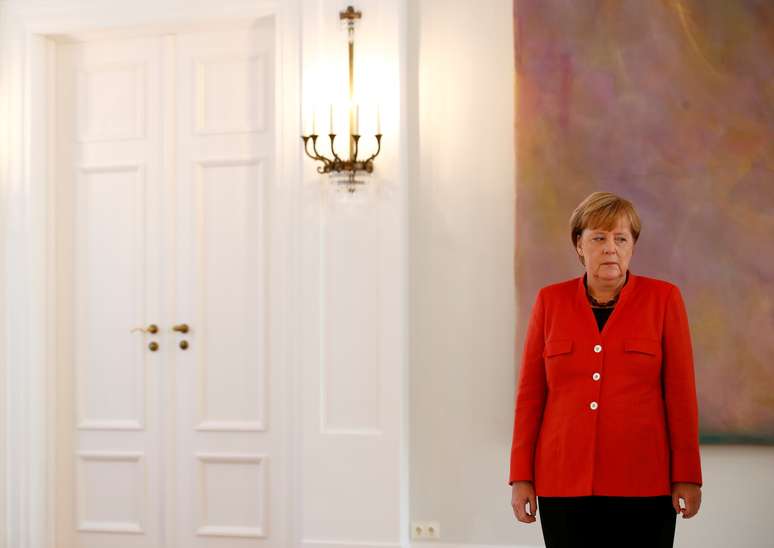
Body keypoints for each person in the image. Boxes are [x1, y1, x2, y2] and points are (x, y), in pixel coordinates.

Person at [508, 192, 703, 548]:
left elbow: (681, 396)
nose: (610, 248)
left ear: (632, 246)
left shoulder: (664, 300)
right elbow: (530, 398)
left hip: (645, 482)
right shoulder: (549, 302)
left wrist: (687, 476)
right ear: (579, 245)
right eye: (598, 237)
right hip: (562, 482)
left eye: (621, 238)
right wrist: (521, 476)